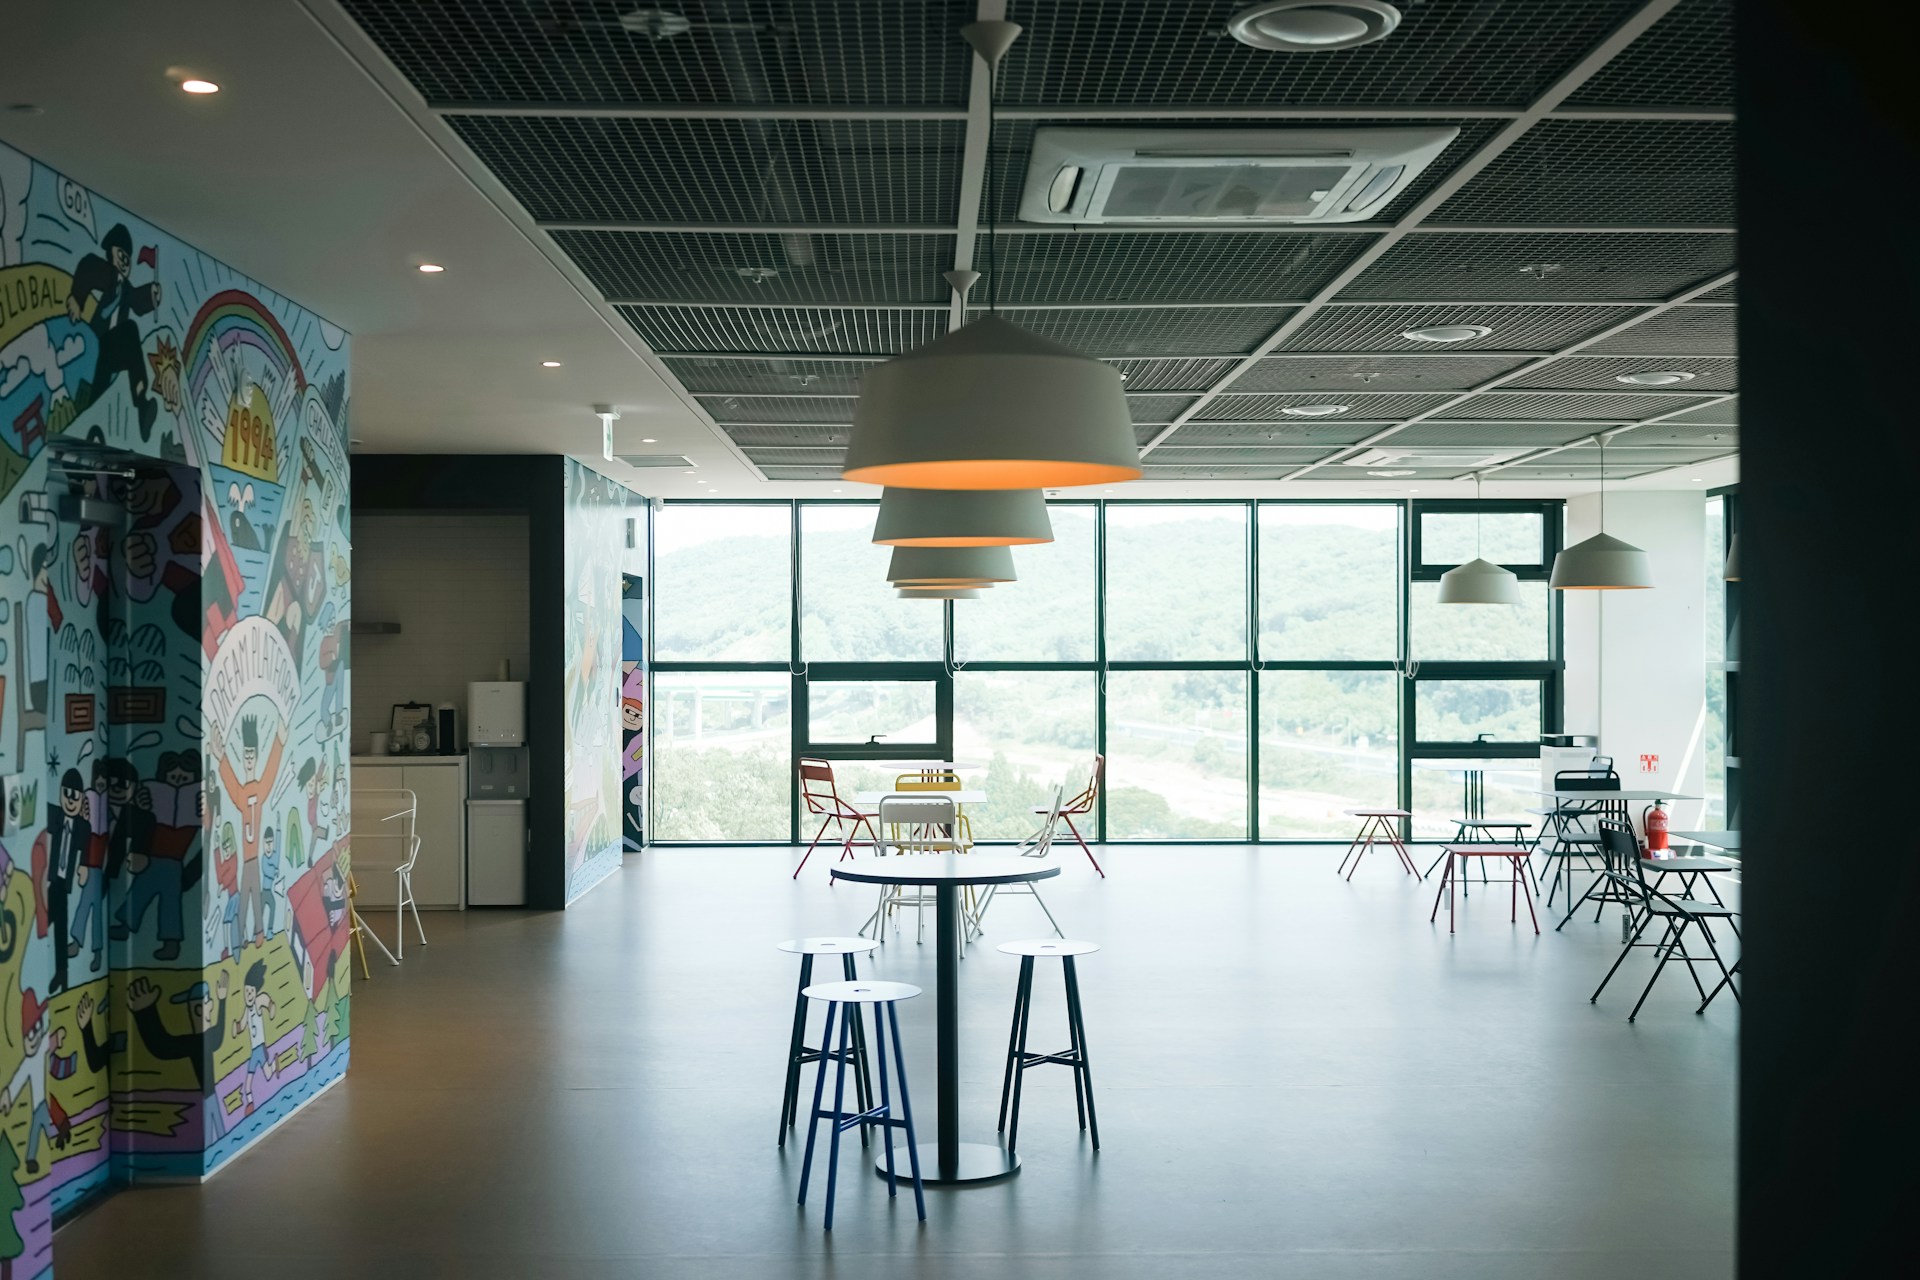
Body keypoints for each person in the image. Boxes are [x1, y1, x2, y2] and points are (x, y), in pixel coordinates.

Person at [65, 222, 163, 439]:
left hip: (111, 353)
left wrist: (151, 295)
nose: (125, 263)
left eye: (127, 257)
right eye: (122, 255)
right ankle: (139, 402)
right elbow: (88, 268)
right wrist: (76, 298)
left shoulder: (125, 289)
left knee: (101, 387)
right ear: (112, 253)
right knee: (129, 330)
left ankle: (141, 402)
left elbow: (137, 300)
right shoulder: (108, 275)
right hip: (97, 342)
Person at [127, 972, 228, 1148]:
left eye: (200, 1005)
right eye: (192, 1007)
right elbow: (162, 1046)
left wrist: (223, 1000)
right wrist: (145, 1012)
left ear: (209, 1005)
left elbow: (163, 1046)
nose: (195, 1011)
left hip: (209, 1097)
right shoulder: (194, 1043)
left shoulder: (202, 1040)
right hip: (206, 1098)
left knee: (216, 1134)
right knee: (215, 1134)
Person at [215, 716, 284, 947]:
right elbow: (231, 783)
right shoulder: (242, 793)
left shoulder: (259, 788)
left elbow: (271, 773)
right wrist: (222, 757)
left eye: (252, 755)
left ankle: (258, 933)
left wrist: (279, 741)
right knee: (246, 897)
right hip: (247, 861)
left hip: (254, 860)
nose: (249, 759)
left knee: (254, 896)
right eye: (246, 755)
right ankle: (245, 935)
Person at [114, 755, 190, 961]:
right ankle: (126, 925)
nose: (177, 782)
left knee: (170, 904)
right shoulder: (154, 794)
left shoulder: (193, 802)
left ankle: (171, 942)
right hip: (153, 857)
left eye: (184, 779)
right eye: (173, 777)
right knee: (139, 891)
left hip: (174, 861)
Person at [1, 992, 75, 1174]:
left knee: (43, 1124)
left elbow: (49, 1044)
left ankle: (48, 1147)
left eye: (37, 1029)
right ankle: (32, 1159)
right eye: (30, 1033)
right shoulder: (27, 1062)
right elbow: (18, 1080)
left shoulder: (42, 1047)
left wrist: (58, 1037)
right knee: (37, 1129)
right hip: (39, 1104)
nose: (34, 1037)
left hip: (44, 1101)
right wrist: (8, 1095)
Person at [42, 771, 89, 994]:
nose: (71, 800)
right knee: (53, 921)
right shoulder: (56, 816)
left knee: (51, 921)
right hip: (55, 879)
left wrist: (83, 867)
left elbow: (86, 850)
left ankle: (62, 973)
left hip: (64, 882)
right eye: (67, 794)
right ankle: (62, 973)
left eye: (75, 796)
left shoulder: (82, 827)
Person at [234, 959, 276, 1114]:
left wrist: (271, 1008)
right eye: (246, 992)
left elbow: (266, 1000)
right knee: (248, 1083)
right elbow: (242, 1025)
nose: (248, 995)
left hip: (261, 1048)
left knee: (268, 1074)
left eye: (251, 991)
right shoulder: (247, 1009)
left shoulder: (258, 1002)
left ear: (255, 992)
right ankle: (250, 1104)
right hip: (254, 1052)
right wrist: (236, 1028)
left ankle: (274, 1065)